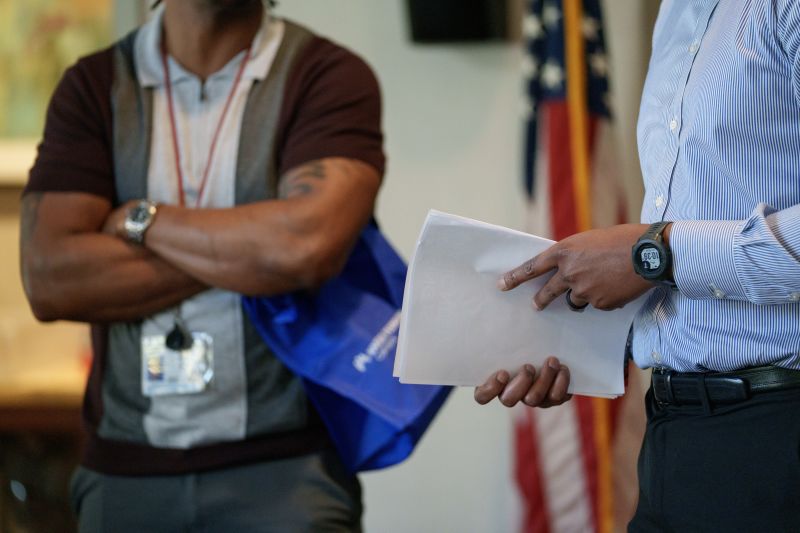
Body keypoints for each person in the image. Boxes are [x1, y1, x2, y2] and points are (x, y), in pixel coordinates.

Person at [19, 0, 384, 530]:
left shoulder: (324, 74)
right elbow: (50, 279)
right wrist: (254, 249)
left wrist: (141, 221)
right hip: (126, 473)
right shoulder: (94, 85)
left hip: (288, 472)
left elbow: (306, 247)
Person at [475, 1, 800, 530]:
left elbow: (657, 254)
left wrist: (657, 252)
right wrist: (561, 345)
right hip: (673, 436)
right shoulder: (677, 13)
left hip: (779, 432)